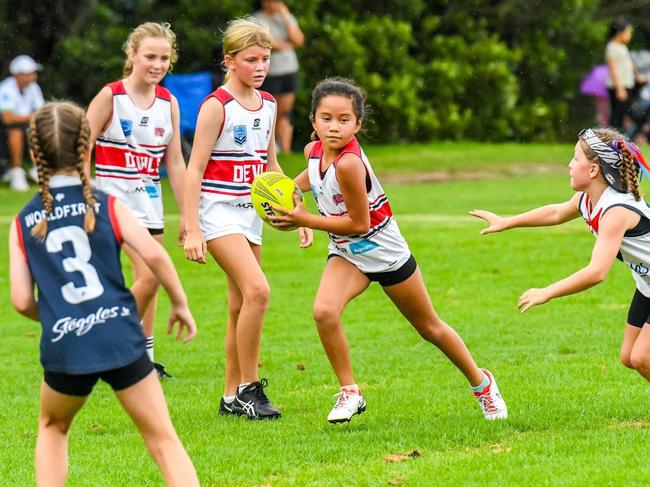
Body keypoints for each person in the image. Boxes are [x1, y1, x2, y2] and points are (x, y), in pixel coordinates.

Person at [268, 77, 507, 423]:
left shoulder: (350, 164)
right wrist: (287, 192)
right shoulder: (313, 152)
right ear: (313, 120)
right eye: (326, 118)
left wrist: (304, 218)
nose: (334, 127)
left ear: (358, 124)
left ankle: (482, 384)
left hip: (384, 252)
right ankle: (350, 392)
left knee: (429, 328)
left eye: (344, 120)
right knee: (324, 311)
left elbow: (359, 224)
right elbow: (312, 177)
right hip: (348, 255)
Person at [8, 101, 199, 486]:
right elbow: (154, 256)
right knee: (163, 440)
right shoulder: (108, 204)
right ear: (86, 148)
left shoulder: (22, 221)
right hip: (119, 335)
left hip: (66, 344)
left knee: (53, 427)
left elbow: (22, 300)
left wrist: (61, 313)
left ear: (33, 155)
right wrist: (179, 303)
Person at [184, 17, 312, 420]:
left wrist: (300, 212)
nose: (260, 67)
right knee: (258, 291)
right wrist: (191, 228)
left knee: (240, 304)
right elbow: (194, 170)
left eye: (265, 59)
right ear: (230, 60)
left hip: (251, 216)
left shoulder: (270, 104)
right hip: (218, 214)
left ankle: (229, 396)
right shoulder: (216, 107)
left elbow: (269, 163)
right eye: (251, 60)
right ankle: (249, 388)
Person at [470, 127, 650, 382]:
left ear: (593, 170)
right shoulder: (589, 199)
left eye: (575, 158)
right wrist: (507, 221)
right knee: (629, 356)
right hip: (646, 285)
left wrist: (547, 292)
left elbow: (596, 272)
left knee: (642, 357)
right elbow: (556, 213)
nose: (569, 164)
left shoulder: (616, 211)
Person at [86, 22, 187, 378]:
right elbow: (82, 148)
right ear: (132, 55)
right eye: (149, 57)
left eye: (164, 58)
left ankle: (142, 356)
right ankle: (112, 342)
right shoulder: (110, 96)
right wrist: (84, 195)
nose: (157, 65)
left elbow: (174, 162)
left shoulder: (169, 103)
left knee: (151, 278)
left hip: (151, 206)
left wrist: (188, 214)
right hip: (112, 206)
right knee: (149, 273)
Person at [252, 0, 304, 153]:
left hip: (289, 70)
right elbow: (268, 43)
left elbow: (299, 39)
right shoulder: (256, 19)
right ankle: (270, 148)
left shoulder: (286, 17)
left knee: (285, 111)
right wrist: (289, 45)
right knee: (270, 111)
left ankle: (286, 151)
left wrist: (286, 16)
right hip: (270, 72)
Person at [0, 55, 44, 191]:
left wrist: (30, 118)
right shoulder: (6, 88)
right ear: (18, 75)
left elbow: (41, 112)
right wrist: (31, 117)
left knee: (43, 129)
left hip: (25, 124)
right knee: (16, 133)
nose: (33, 76)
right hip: (5, 128)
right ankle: (16, 172)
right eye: (29, 73)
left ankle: (39, 169)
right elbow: (7, 118)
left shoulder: (33, 87)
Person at [605, 19, 646, 133]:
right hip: (618, 87)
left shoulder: (622, 47)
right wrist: (619, 89)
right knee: (617, 117)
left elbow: (629, 65)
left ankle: (621, 140)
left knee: (626, 115)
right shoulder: (612, 47)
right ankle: (613, 141)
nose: (629, 35)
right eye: (628, 32)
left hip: (626, 85)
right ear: (619, 32)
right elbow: (613, 69)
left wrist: (637, 76)